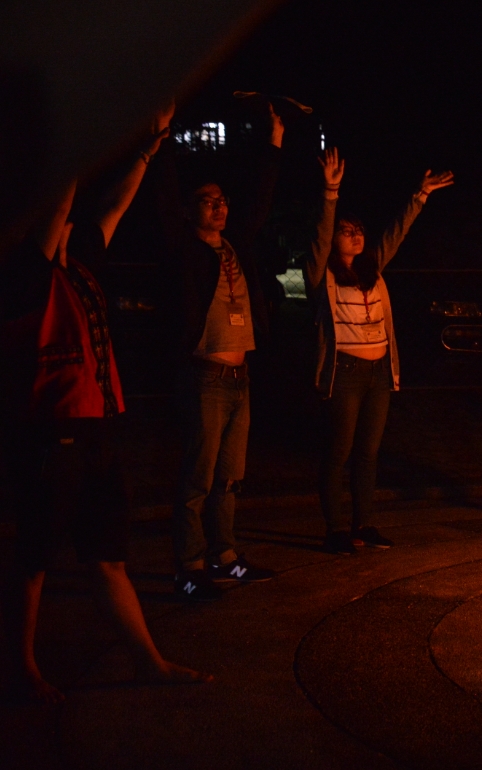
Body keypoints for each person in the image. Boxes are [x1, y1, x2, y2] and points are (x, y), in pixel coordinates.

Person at [1, 112, 211, 704]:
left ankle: (150, 662)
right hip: (50, 433)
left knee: (108, 558)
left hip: (95, 431)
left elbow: (113, 207)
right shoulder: (23, 271)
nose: (73, 219)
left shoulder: (84, 261)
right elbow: (60, 205)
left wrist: (146, 151)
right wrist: (74, 130)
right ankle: (23, 670)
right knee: (34, 561)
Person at [152, 103, 285, 601]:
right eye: (208, 201)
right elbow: (164, 196)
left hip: (239, 378)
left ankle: (224, 558)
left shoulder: (237, 247)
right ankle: (188, 566)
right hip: (205, 376)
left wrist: (273, 139)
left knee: (230, 477)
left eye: (222, 200)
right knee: (198, 479)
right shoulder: (185, 249)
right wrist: (162, 139)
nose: (219, 206)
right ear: (190, 210)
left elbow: (259, 202)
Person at [309, 148, 453, 554]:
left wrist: (419, 196)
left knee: (369, 453)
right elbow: (320, 236)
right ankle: (335, 528)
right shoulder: (323, 274)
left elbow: (396, 233)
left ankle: (363, 524)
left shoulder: (372, 268)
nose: (355, 235)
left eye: (358, 230)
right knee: (340, 450)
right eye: (346, 230)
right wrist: (331, 192)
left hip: (377, 373)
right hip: (346, 371)